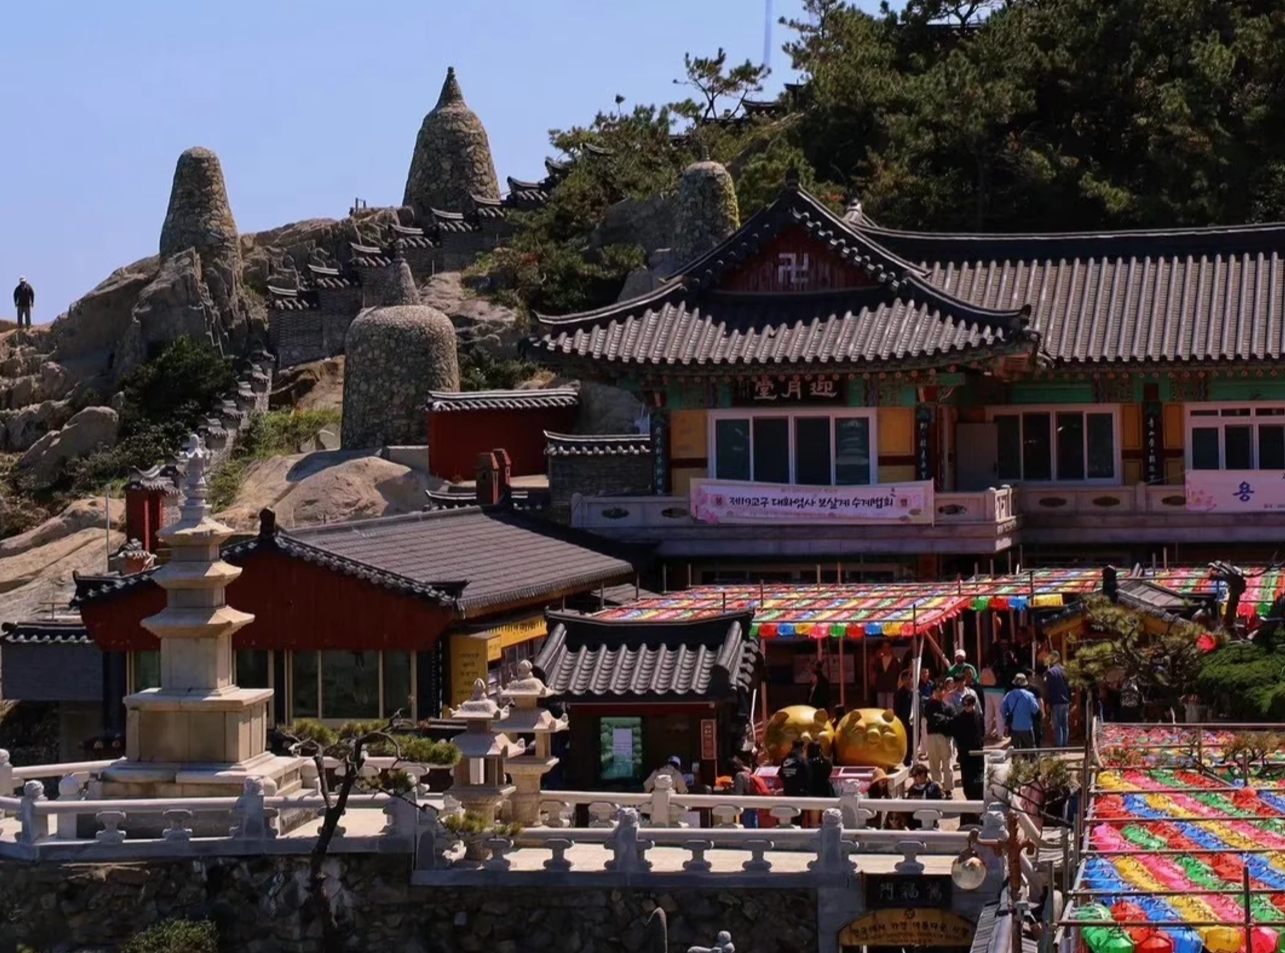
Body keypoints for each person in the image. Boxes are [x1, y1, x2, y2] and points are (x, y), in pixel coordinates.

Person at [951, 694, 987, 824]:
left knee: (979, 778)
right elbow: (956, 734)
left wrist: (980, 743)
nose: (966, 707)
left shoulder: (979, 716)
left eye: (968, 705)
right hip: (965, 753)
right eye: (964, 705)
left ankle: (979, 806)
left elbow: (982, 731)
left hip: (977, 753)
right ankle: (971, 804)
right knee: (967, 779)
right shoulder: (959, 718)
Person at [923, 682, 957, 794]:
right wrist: (943, 720)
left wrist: (940, 719)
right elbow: (930, 718)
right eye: (936, 691)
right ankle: (936, 789)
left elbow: (952, 721)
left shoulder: (949, 706)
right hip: (932, 736)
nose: (939, 693)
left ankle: (948, 789)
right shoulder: (929, 705)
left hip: (946, 738)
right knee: (934, 764)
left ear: (945, 692)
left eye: (941, 690)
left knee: (947, 764)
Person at [1003, 673, 1041, 752]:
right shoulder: (1030, 695)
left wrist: (1007, 719)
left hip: (1014, 728)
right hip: (1027, 727)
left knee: (1015, 752)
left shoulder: (1009, 695)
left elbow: (1002, 709)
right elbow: (1035, 709)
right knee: (1031, 751)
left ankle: (1016, 764)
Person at [1043, 652, 1072, 748]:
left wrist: (1048, 702)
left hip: (1056, 701)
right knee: (1065, 724)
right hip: (1066, 700)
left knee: (1057, 725)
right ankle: (1065, 744)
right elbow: (1069, 687)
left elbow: (1049, 689)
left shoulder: (1051, 672)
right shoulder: (1065, 671)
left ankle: (1058, 745)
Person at [904, 762, 944, 830]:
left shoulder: (934, 787)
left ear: (922, 775)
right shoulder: (912, 789)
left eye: (915, 775)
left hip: (931, 822)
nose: (914, 778)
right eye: (913, 776)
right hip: (915, 824)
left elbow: (939, 805)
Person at [729, 756, 766, 828]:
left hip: (747, 802)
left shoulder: (739, 775)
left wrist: (730, 791)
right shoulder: (748, 771)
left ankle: (750, 837)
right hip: (755, 798)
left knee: (748, 822)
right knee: (754, 819)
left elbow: (738, 793)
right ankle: (755, 837)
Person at [805, 741, 834, 826]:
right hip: (826, 790)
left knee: (814, 820)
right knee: (828, 818)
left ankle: (815, 834)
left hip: (813, 790)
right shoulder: (827, 762)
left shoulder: (807, 763)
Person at [980, 654, 1005, 742]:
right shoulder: (1000, 666)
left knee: (988, 712)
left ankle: (986, 732)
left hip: (986, 691)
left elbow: (981, 681)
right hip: (999, 691)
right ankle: (1000, 734)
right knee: (999, 713)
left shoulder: (984, 669)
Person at [892, 670, 915, 767]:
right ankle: (907, 762)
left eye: (909, 679)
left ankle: (911, 759)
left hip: (914, 723)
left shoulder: (915, 692)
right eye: (906, 679)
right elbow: (896, 709)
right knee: (907, 742)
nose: (908, 681)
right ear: (902, 680)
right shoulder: (899, 693)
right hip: (904, 722)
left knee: (914, 743)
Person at [871, 642, 900, 710]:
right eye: (883, 647)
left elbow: (898, 673)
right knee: (881, 708)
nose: (885, 649)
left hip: (891, 686)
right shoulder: (879, 660)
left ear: (890, 649)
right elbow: (874, 671)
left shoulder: (895, 660)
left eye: (887, 647)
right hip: (881, 686)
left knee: (890, 707)